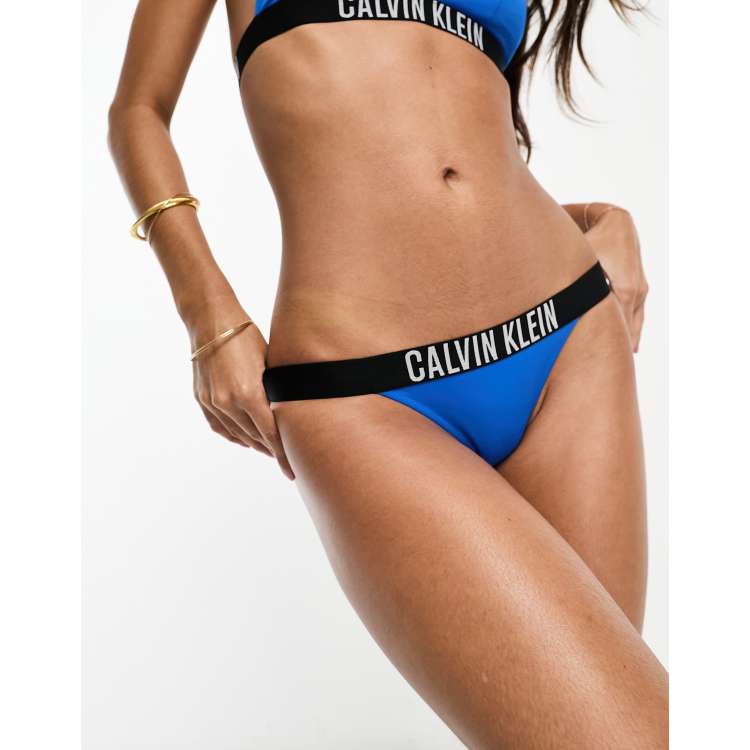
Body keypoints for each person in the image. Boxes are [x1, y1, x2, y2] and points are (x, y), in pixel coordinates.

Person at [109, 1, 666, 746]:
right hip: (364, 389)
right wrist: (207, 315)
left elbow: (450, 144)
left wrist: (601, 216)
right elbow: (137, 110)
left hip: (564, 339)